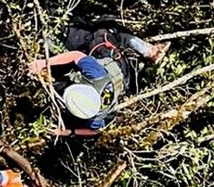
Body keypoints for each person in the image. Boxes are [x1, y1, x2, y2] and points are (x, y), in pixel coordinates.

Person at [28, 20, 169, 136]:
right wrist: (44, 63)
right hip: (117, 69)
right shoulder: (96, 76)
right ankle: (149, 51)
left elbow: (96, 130)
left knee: (104, 30)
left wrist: (67, 132)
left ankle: (149, 51)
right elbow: (76, 55)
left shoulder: (95, 113)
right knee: (106, 34)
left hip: (121, 79)